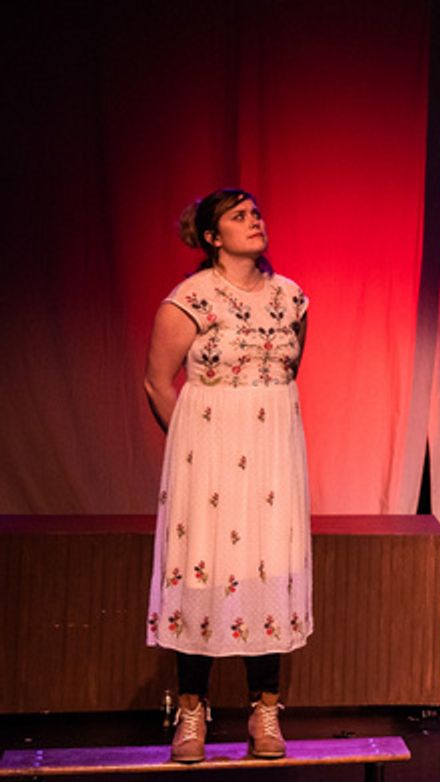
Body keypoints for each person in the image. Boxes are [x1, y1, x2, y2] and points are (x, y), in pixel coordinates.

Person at [144, 188, 312, 763]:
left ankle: (265, 709)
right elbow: (156, 382)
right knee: (205, 571)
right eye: (239, 217)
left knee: (267, 568)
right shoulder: (189, 299)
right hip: (207, 460)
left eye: (256, 213)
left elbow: (287, 374)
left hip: (272, 456)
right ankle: (193, 711)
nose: (254, 221)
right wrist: (196, 446)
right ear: (213, 237)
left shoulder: (291, 298)